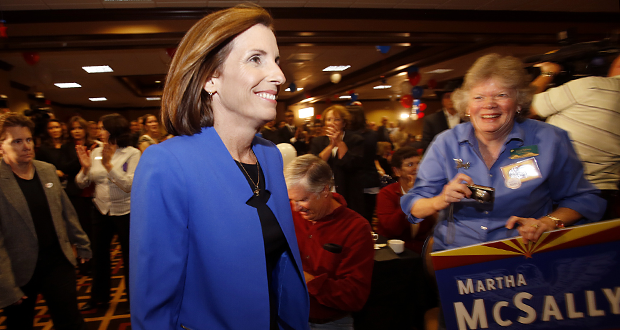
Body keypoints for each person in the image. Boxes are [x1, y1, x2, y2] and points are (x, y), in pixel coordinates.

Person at [129, 5, 309, 330]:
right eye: (256, 58)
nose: (280, 76)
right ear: (211, 77)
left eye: (276, 60)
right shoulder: (167, 164)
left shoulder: (270, 156)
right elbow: (154, 307)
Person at [402, 53, 605, 253]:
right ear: (467, 107)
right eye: (478, 97)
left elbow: (583, 199)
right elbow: (413, 205)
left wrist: (548, 222)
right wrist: (441, 199)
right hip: (458, 256)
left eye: (501, 95)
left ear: (519, 103)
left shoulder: (551, 140)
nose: (489, 104)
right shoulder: (445, 143)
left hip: (524, 253)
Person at [0, 113, 91, 330]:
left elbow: (66, 214)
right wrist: (6, 287)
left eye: (29, 140)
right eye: (17, 141)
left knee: (71, 322)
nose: (26, 146)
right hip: (19, 270)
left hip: (57, 263)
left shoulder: (46, 170)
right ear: (1, 146)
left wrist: (82, 243)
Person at [285, 155, 374, 329]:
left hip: (330, 323)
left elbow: (355, 296)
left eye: (303, 199)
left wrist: (309, 280)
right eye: (292, 200)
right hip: (289, 316)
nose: (296, 208)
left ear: (325, 190)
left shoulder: (356, 228)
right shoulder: (289, 212)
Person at [530, 56, 620, 220]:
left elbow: (524, 107)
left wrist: (548, 73)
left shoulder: (592, 86)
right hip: (602, 197)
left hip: (562, 192)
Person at [75, 114, 140, 311]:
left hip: (125, 211)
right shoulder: (96, 152)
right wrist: (85, 169)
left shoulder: (132, 153)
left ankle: (134, 302)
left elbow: (129, 185)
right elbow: (81, 183)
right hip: (100, 210)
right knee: (100, 257)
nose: (99, 132)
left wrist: (109, 166)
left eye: (102, 128)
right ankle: (99, 298)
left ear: (113, 131)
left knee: (130, 259)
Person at [375, 147, 433, 254]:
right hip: (393, 252)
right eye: (410, 165)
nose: (417, 168)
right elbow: (392, 228)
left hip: (422, 251)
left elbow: (438, 224)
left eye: (419, 163)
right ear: (397, 171)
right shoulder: (386, 194)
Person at [310, 105, 365, 216]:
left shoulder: (355, 139)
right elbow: (315, 164)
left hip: (349, 190)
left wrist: (339, 142)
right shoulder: (318, 141)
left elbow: (351, 164)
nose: (332, 123)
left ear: (344, 123)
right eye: (329, 119)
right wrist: (331, 146)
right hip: (324, 191)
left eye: (337, 119)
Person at [36, 119, 67, 185]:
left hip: (70, 181)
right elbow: (40, 166)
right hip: (52, 180)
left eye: (57, 127)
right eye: (51, 128)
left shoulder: (69, 144)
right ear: (47, 131)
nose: (54, 130)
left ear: (61, 129)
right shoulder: (43, 148)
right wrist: (53, 172)